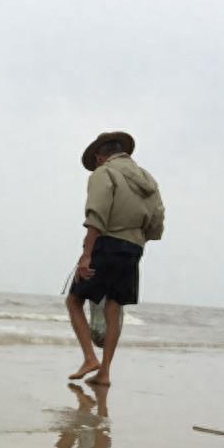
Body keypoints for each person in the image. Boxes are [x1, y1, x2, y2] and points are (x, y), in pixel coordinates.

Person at [66, 131, 165, 385]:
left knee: (74, 300)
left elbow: (96, 215)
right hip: (134, 248)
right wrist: (136, 238)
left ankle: (90, 358)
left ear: (100, 157)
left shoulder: (104, 173)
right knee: (114, 307)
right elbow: (157, 222)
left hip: (107, 244)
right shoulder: (148, 180)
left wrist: (86, 255)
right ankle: (105, 372)